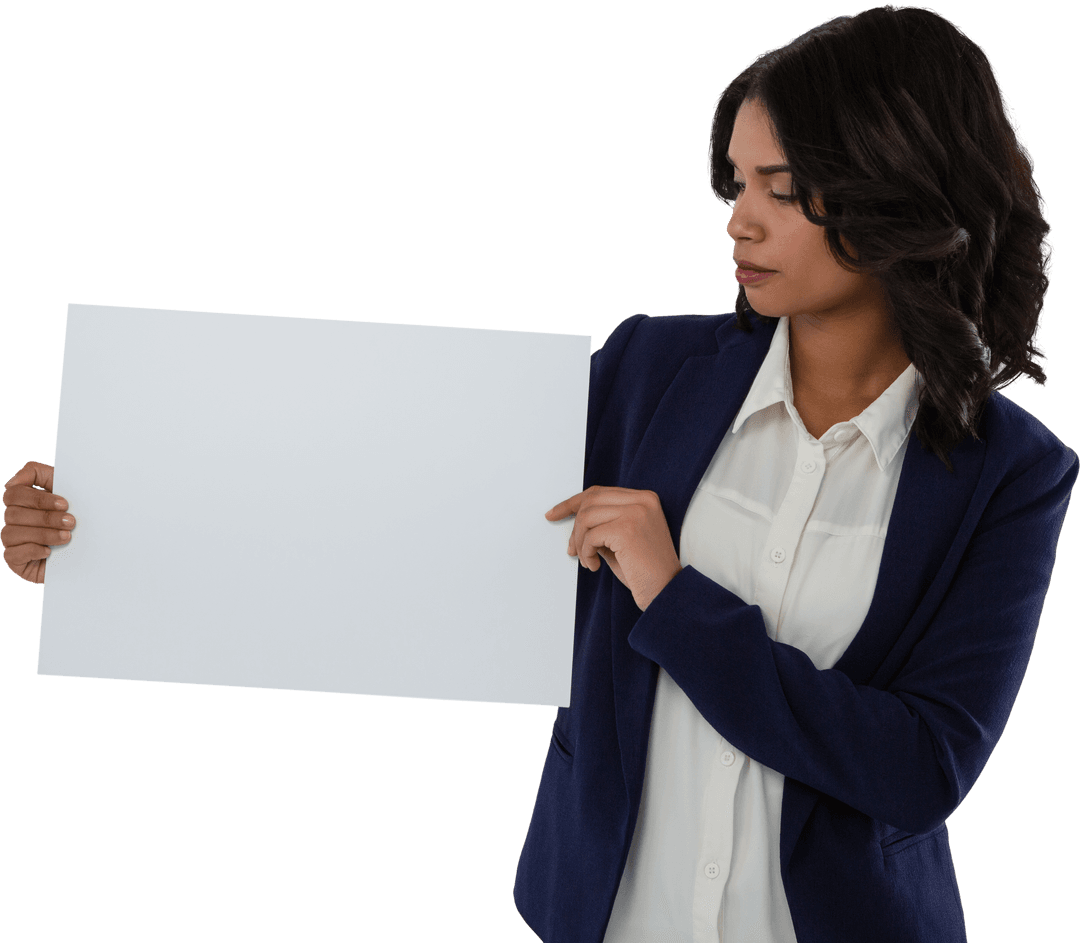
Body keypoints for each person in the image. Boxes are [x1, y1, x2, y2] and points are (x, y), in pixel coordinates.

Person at [511, 6, 1077, 943]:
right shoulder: (647, 368)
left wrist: (673, 594)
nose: (739, 219)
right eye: (737, 182)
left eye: (781, 188)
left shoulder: (1012, 474)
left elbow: (922, 766)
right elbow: (486, 556)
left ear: (896, 190)